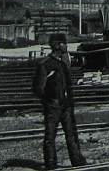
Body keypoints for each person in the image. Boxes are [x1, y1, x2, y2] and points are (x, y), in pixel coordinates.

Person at [32, 33, 87, 169]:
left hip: (66, 105)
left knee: (71, 135)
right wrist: (50, 101)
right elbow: (38, 89)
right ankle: (50, 164)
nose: (66, 45)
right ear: (57, 45)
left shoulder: (62, 64)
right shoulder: (46, 65)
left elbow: (67, 85)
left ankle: (77, 161)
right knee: (50, 137)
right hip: (53, 106)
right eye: (64, 43)